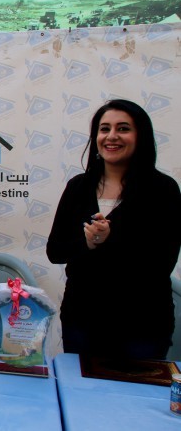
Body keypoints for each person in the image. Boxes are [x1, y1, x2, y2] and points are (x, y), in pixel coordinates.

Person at [47, 99, 181, 359]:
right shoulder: (78, 187)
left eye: (123, 129)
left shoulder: (163, 189)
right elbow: (55, 251)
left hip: (142, 325)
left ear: (141, 136)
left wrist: (110, 239)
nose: (111, 136)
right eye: (104, 129)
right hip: (81, 321)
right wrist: (88, 243)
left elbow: (161, 263)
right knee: (80, 385)